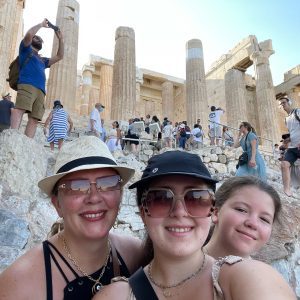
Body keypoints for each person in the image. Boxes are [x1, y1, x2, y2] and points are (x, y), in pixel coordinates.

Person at [95, 151, 295, 300]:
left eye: (196, 198)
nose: (180, 212)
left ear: (212, 210)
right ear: (142, 212)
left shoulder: (247, 278)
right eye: (161, 199)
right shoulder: (115, 296)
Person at [0, 136, 144, 300]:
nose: (94, 197)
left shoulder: (135, 254)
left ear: (120, 196)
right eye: (76, 187)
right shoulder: (20, 284)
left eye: (108, 183)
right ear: (57, 204)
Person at [10, 19, 64, 138]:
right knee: (19, 110)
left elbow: (60, 56)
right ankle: (12, 138)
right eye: (36, 38)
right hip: (27, 84)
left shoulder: (42, 60)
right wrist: (40, 25)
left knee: (34, 119)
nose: (39, 39)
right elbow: (29, 34)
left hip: (41, 91)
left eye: (40, 39)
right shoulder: (25, 50)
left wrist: (60, 39)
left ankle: (27, 143)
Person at [204, 176, 281, 259]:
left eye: (264, 219)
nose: (253, 223)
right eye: (241, 210)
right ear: (215, 212)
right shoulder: (188, 261)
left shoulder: (261, 272)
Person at [278, 96, 300, 197]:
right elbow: (294, 132)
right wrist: (288, 140)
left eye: (284, 103)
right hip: (292, 147)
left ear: (289, 103)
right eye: (281, 104)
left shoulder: (297, 112)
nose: (282, 105)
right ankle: (287, 190)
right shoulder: (286, 119)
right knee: (284, 165)